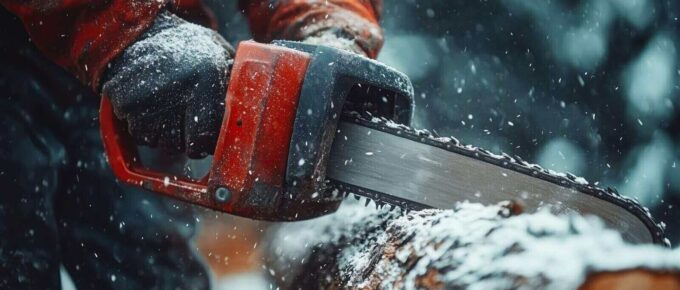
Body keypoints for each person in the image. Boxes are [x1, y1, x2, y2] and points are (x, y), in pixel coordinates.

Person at [0, 1, 384, 289]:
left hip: (134, 65)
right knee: (16, 264)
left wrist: (326, 24)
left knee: (153, 270)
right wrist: (126, 29)